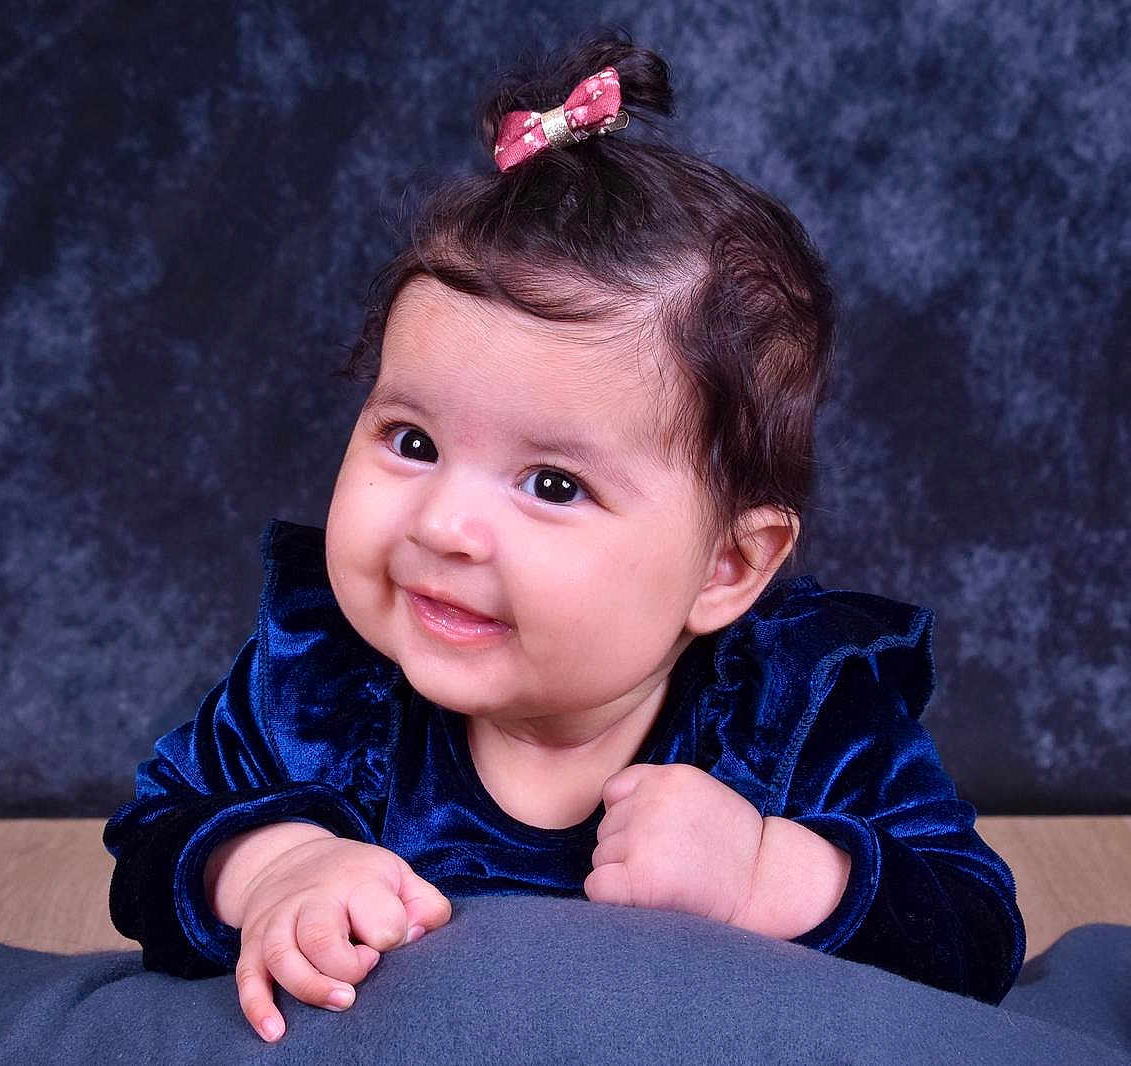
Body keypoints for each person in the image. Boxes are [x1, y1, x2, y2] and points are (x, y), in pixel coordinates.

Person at [104, 29, 1026, 1044]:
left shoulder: (792, 714)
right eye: (412, 441)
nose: (443, 525)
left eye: (552, 484)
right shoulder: (321, 688)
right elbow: (153, 839)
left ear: (726, 566)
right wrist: (275, 866)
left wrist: (770, 872)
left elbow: (977, 935)